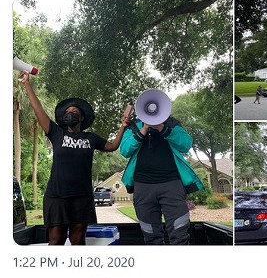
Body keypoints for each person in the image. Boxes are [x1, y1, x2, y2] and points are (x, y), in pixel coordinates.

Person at [18, 71, 126, 245]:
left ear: (81, 117)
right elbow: (38, 109)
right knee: (55, 240)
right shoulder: (56, 133)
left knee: (78, 241)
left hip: (82, 197)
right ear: (63, 117)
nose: (70, 114)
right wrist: (27, 84)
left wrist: (123, 126)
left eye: (74, 112)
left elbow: (112, 146)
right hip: (57, 196)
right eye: (67, 112)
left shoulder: (91, 138)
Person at [119, 107, 204, 245]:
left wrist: (161, 127)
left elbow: (186, 144)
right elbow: (124, 150)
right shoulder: (134, 126)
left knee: (180, 234)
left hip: (172, 185)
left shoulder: (172, 123)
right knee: (151, 236)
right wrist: (144, 129)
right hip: (143, 187)